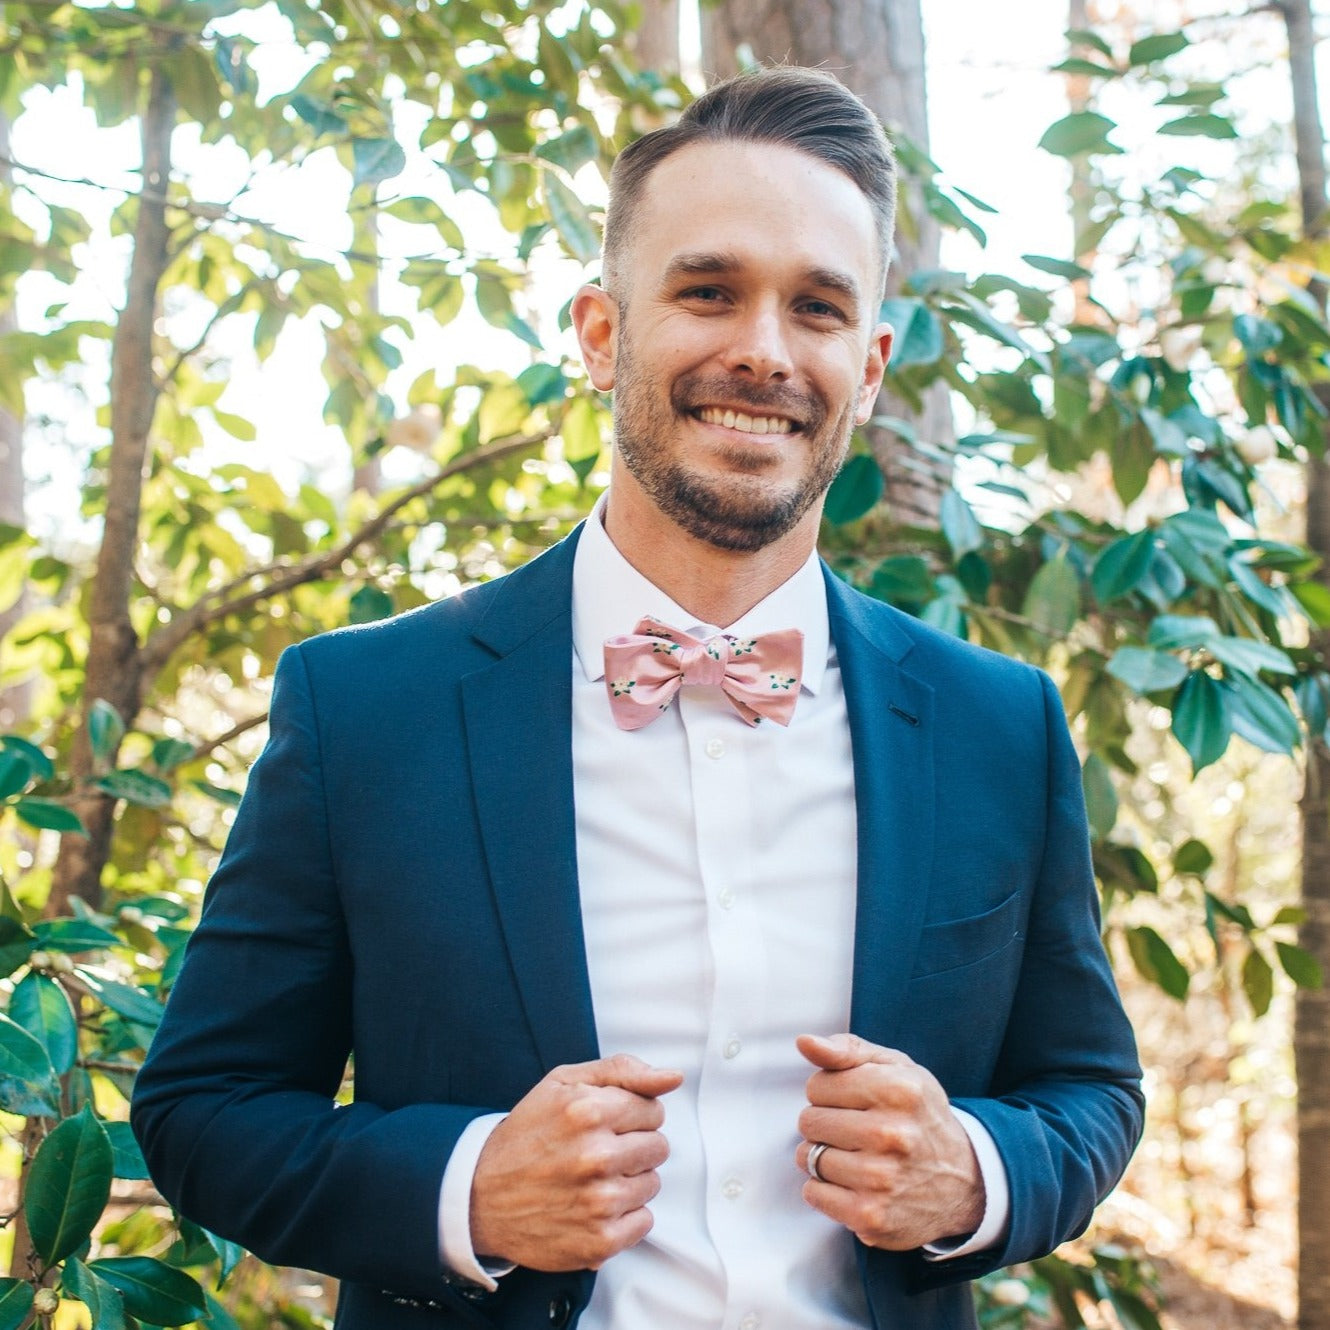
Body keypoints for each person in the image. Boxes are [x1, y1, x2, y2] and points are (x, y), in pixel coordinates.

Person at [132, 66, 1144, 1330]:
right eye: (708, 290)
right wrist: (467, 1190)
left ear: (871, 365)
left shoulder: (1002, 726)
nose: (763, 351)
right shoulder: (363, 707)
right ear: (603, 331)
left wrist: (975, 1175)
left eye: (817, 308)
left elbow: (1090, 1091)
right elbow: (203, 1108)